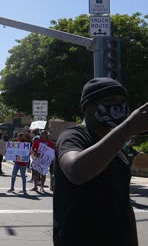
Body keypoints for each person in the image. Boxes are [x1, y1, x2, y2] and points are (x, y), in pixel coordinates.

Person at [54, 77, 147, 246]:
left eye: (122, 101)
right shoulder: (73, 136)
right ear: (88, 107)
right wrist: (128, 128)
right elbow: (76, 171)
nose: (118, 106)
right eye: (110, 101)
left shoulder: (117, 147)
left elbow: (123, 204)